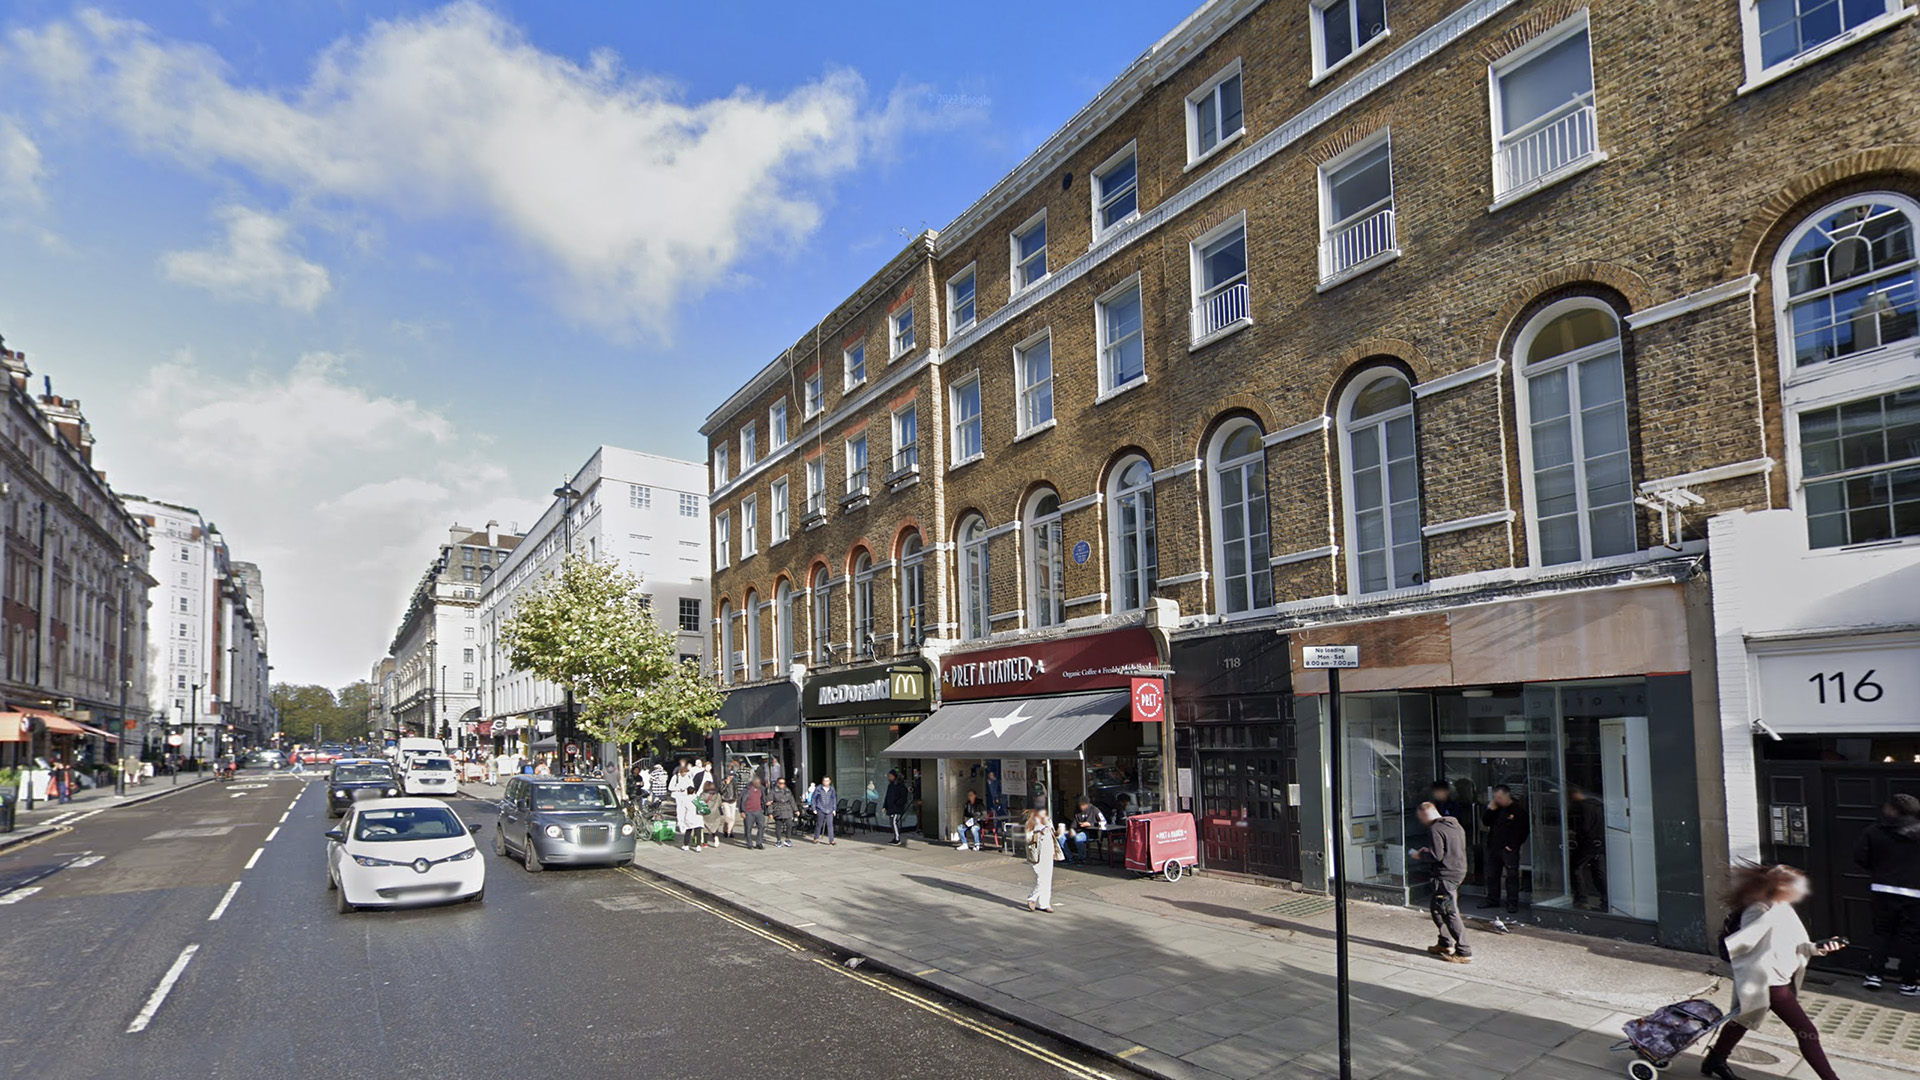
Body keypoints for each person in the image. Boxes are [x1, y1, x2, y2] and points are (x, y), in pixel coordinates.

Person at [1701, 864, 1846, 1080]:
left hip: (1781, 978)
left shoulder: (1782, 906)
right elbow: (1743, 948)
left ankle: (1715, 1059)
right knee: (1807, 1032)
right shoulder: (1758, 910)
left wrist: (1819, 948)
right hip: (1769, 983)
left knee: (1743, 1019)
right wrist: (1760, 981)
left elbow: (1795, 944)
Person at [1855, 793, 1920, 995]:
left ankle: (1874, 975)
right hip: (1915, 891)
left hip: (1882, 888)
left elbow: (1860, 857)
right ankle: (1908, 982)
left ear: (1891, 809)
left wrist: (1879, 870)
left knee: (1881, 933)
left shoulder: (1874, 831)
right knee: (1911, 937)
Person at [1414, 802, 1472, 963]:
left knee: (1449, 911)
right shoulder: (1455, 825)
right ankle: (1445, 943)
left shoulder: (1435, 829)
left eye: (1421, 818)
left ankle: (1464, 951)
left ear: (1425, 815)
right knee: (1437, 909)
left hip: (1445, 875)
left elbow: (1437, 856)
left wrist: (1421, 856)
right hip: (1458, 871)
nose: (1421, 821)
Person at [1479, 785, 1528, 914]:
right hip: (1494, 847)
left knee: (1511, 876)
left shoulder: (1517, 810)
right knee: (1492, 875)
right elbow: (1486, 822)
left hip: (1509, 848)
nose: (1498, 800)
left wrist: (1512, 845)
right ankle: (1492, 899)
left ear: (1507, 795)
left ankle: (1512, 902)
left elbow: (1523, 831)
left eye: (1500, 797)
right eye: (1496, 798)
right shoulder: (1496, 809)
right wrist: (1490, 810)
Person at [1567, 784, 1608, 912]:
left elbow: (1584, 827)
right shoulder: (1598, 805)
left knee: (1576, 868)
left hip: (1587, 843)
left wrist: (1580, 837)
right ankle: (1606, 899)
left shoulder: (1582, 807)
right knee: (1599, 872)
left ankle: (1582, 899)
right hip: (1599, 843)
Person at [1024, 809, 1058, 913]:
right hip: (1037, 854)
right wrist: (1039, 834)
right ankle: (1032, 897)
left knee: (1047, 878)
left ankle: (1045, 903)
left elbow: (1053, 834)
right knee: (1041, 878)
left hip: (1048, 851)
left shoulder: (1048, 820)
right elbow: (1028, 839)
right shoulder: (1031, 823)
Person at [1064, 797, 1107, 864]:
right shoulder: (1077, 811)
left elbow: (1104, 822)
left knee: (1078, 838)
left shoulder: (1094, 810)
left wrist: (1090, 824)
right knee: (1061, 837)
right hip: (1078, 831)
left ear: (1088, 804)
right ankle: (1070, 857)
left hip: (1090, 833)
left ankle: (1082, 858)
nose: (1081, 807)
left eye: (1083, 805)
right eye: (1080, 805)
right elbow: (1074, 823)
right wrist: (1072, 829)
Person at [674, 783, 705, 852]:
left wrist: (681, 820)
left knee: (688, 831)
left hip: (689, 816)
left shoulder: (685, 799)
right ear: (694, 791)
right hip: (698, 816)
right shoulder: (698, 798)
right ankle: (698, 846)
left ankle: (686, 845)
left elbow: (682, 810)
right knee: (698, 832)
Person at [883, 770, 910, 846]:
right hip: (891, 807)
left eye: (891, 776)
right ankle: (895, 837)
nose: (890, 777)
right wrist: (885, 806)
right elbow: (887, 797)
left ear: (895, 776)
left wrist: (897, 803)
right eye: (889, 776)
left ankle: (897, 838)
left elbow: (903, 797)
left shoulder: (900, 785)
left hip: (896, 808)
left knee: (894, 822)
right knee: (892, 822)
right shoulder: (890, 785)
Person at [769, 777, 798, 848]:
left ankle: (787, 839)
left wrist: (796, 810)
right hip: (778, 810)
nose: (782, 785)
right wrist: (770, 813)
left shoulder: (788, 790)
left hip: (787, 810)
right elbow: (769, 803)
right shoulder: (773, 791)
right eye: (781, 783)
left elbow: (792, 801)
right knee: (778, 826)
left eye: (784, 783)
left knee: (789, 824)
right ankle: (778, 840)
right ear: (777, 783)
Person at [741, 777, 768, 850]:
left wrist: (765, 806)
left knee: (761, 827)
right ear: (753, 783)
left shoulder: (761, 789)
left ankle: (759, 843)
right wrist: (742, 811)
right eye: (757, 783)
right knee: (748, 828)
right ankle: (749, 843)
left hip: (759, 811)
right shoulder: (747, 790)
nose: (759, 784)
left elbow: (763, 798)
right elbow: (742, 800)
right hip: (749, 812)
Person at [810, 776, 838, 844]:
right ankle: (816, 838)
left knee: (830, 825)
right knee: (819, 824)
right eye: (825, 781)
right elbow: (814, 798)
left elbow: (834, 799)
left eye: (827, 781)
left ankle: (831, 840)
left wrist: (834, 809)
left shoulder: (832, 789)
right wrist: (814, 808)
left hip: (829, 809)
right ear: (822, 781)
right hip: (820, 808)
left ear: (830, 781)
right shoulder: (819, 788)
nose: (826, 782)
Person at [699, 781, 724, 849]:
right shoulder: (717, 795)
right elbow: (719, 803)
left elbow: (700, 804)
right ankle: (715, 837)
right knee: (714, 827)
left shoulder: (703, 795)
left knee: (705, 829)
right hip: (715, 813)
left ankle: (705, 843)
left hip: (706, 813)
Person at [718, 772, 740, 841]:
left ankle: (729, 831)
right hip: (725, 800)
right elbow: (721, 791)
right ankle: (726, 830)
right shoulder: (722, 782)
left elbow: (736, 790)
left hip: (733, 800)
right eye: (730, 775)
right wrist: (726, 784)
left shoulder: (734, 782)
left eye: (732, 776)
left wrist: (736, 798)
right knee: (728, 816)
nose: (731, 777)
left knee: (732, 817)